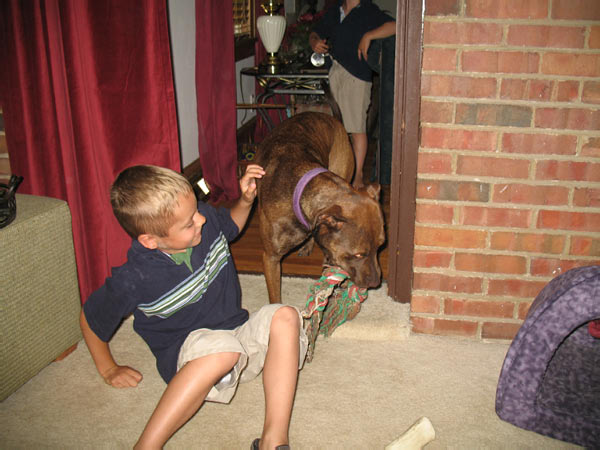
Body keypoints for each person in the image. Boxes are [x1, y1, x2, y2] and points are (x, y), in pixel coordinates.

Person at [80, 164, 308, 449]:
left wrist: (246, 200)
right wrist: (108, 369)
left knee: (286, 316)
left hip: (239, 343)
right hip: (192, 363)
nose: (201, 219)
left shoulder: (204, 219)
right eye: (189, 223)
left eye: (197, 210)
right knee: (223, 350)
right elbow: (91, 319)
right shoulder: (134, 278)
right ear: (150, 241)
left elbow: (231, 227)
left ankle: (273, 441)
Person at [309, 0, 395, 188]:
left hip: (357, 75)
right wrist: (315, 41)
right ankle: (341, 172)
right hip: (336, 71)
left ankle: (357, 177)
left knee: (356, 128)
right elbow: (315, 32)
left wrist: (369, 36)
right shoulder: (335, 11)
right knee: (338, 127)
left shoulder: (367, 10)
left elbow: (394, 26)